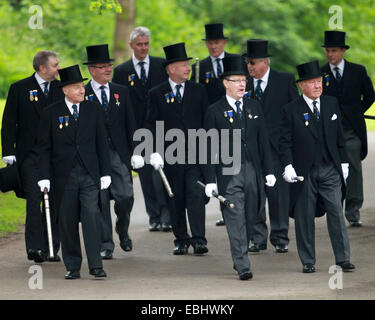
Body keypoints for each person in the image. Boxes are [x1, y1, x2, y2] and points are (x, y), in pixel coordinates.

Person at [203, 55, 276, 280]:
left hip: (253, 169)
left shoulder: (254, 106)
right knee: (235, 216)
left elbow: (263, 140)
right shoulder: (214, 111)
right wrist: (210, 179)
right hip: (228, 173)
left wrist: (270, 170)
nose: (242, 84)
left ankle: (243, 250)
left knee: (252, 215)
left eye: (244, 80)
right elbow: (209, 147)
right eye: (236, 80)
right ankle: (242, 263)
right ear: (225, 83)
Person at [279, 60, 355, 274]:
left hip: (330, 168)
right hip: (304, 172)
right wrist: (288, 166)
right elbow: (284, 142)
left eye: (319, 81)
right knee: (304, 217)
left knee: (336, 214)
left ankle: (343, 258)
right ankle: (308, 261)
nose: (317, 85)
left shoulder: (331, 103)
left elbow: (340, 137)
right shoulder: (290, 110)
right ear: (301, 85)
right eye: (312, 82)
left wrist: (344, 162)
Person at [37, 65, 111, 279]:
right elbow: (44, 148)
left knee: (91, 216)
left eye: (82, 86)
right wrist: (43, 176)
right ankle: (73, 266)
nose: (82, 90)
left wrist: (105, 172)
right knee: (67, 221)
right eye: (77, 87)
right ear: (65, 90)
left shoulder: (93, 109)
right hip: (64, 177)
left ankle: (96, 265)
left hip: (89, 174)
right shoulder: (51, 113)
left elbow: (101, 144)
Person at [146, 42, 209, 255]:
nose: (187, 68)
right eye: (183, 65)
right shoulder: (156, 93)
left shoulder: (198, 90)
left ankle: (199, 238)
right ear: (171, 69)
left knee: (195, 196)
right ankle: (181, 238)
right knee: (175, 197)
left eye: (188, 64)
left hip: (194, 154)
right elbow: (150, 125)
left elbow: (205, 122)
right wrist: (153, 151)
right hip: (169, 155)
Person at [1, 50, 63, 263]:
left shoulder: (60, 87)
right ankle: (35, 248)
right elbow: (9, 122)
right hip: (30, 155)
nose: (59, 68)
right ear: (42, 68)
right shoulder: (19, 88)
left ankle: (52, 246)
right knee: (34, 199)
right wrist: (8, 151)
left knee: (54, 200)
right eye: (55, 65)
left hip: (55, 155)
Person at [84, 44, 144, 258]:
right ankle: (105, 244)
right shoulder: (84, 93)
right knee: (100, 200)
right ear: (92, 70)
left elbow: (131, 124)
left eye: (109, 66)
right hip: (94, 156)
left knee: (126, 196)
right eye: (102, 67)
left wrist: (137, 151)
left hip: (119, 153)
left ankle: (123, 229)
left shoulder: (121, 92)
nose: (108, 70)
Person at [112, 26, 171, 232]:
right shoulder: (120, 72)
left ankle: (167, 215)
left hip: (161, 129)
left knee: (161, 172)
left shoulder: (161, 66)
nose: (144, 48)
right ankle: (154, 216)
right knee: (146, 175)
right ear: (131, 46)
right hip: (137, 131)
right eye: (139, 44)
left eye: (146, 44)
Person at [244, 39, 299, 253]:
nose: (250, 67)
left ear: (265, 62)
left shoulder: (284, 80)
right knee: (255, 195)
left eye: (253, 63)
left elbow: (293, 112)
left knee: (278, 195)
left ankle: (280, 236)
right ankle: (257, 238)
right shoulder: (244, 84)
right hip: (253, 150)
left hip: (277, 149)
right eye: (248, 63)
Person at [320, 31, 375, 227]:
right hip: (331, 131)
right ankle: (334, 210)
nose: (330, 54)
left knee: (353, 169)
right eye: (327, 51)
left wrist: (356, 113)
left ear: (343, 51)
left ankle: (353, 211)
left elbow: (370, 95)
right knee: (332, 171)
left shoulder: (358, 71)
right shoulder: (321, 72)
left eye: (334, 50)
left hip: (352, 131)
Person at [191, 23, 236, 227]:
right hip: (211, 123)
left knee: (231, 167)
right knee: (216, 167)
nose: (213, 46)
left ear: (224, 42)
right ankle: (223, 209)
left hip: (232, 121)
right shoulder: (200, 68)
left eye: (216, 42)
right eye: (210, 43)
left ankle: (233, 209)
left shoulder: (234, 62)